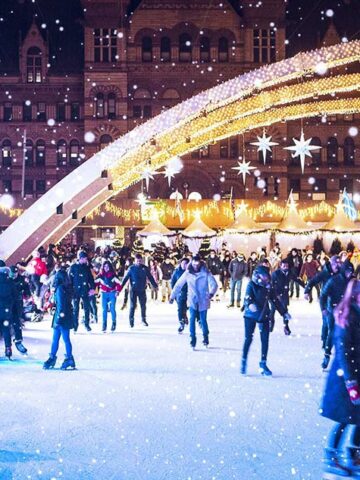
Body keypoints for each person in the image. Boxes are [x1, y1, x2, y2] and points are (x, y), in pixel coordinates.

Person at [320, 279, 360, 477]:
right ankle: (332, 456)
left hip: (356, 374)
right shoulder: (347, 317)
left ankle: (354, 452)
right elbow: (344, 353)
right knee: (344, 418)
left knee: (359, 417)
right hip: (345, 378)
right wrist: (351, 383)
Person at [241, 266, 291, 376]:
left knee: (265, 340)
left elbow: (275, 301)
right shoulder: (252, 285)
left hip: (264, 315)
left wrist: (284, 313)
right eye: (264, 277)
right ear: (258, 275)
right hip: (250, 316)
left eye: (267, 277)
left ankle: (263, 363)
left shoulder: (268, 287)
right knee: (248, 338)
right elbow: (247, 298)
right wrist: (250, 305)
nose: (266, 279)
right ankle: (244, 360)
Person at [170, 254, 218, 349]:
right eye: (194, 263)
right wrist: (172, 296)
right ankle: (192, 339)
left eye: (197, 263)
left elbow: (214, 284)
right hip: (192, 300)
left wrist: (211, 294)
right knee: (192, 319)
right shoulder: (187, 273)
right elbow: (178, 285)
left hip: (203, 300)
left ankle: (205, 337)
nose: (196, 265)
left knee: (203, 320)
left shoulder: (205, 272)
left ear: (200, 263)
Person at [319, 260, 354, 370]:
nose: (349, 273)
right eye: (348, 271)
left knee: (348, 334)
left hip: (347, 311)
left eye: (351, 271)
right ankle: (327, 355)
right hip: (333, 310)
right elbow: (323, 295)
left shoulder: (352, 282)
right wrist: (323, 308)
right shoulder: (334, 281)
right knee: (333, 332)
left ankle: (347, 358)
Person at [304, 255, 341, 351]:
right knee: (326, 322)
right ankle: (325, 341)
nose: (338, 265)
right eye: (336, 263)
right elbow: (312, 281)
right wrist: (306, 291)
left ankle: (332, 341)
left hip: (338, 301)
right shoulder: (324, 273)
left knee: (335, 324)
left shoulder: (341, 272)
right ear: (332, 264)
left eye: (339, 263)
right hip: (325, 301)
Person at [43, 268, 76, 370]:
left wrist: (58, 319)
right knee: (61, 339)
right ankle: (60, 357)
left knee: (59, 339)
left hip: (61, 316)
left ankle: (64, 358)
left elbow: (61, 305)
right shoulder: (66, 287)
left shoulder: (60, 289)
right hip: (65, 315)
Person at [121, 253, 158, 327]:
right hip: (133, 290)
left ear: (142, 261)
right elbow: (125, 279)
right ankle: (131, 321)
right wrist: (119, 288)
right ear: (135, 261)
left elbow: (150, 277)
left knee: (143, 305)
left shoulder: (145, 268)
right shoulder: (131, 268)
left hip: (142, 290)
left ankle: (143, 319)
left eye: (140, 261)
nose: (139, 262)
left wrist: (155, 285)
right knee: (132, 306)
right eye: (137, 261)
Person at [270, 259, 301, 335]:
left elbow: (297, 280)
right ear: (281, 266)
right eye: (284, 266)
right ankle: (271, 325)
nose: (285, 267)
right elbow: (271, 284)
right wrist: (275, 294)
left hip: (284, 295)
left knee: (285, 311)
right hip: (275, 295)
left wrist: (306, 287)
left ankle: (286, 326)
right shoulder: (275, 273)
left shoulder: (290, 273)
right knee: (272, 311)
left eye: (287, 266)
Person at [69, 251, 96, 332]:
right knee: (75, 309)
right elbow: (70, 280)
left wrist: (92, 288)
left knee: (86, 308)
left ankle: (87, 324)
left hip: (85, 291)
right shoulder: (73, 267)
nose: (86, 260)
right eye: (85, 259)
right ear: (81, 258)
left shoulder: (87, 268)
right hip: (75, 291)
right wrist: (70, 291)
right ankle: (75, 325)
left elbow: (91, 279)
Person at [95, 260, 122, 333]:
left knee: (112, 308)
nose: (106, 268)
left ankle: (113, 323)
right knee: (104, 309)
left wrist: (117, 291)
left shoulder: (113, 275)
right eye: (104, 266)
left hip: (112, 293)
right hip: (104, 294)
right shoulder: (100, 275)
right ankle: (104, 324)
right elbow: (95, 283)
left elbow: (119, 284)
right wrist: (94, 291)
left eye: (107, 266)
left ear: (110, 267)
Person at [9, 266, 29, 354]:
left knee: (17, 322)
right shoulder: (6, 280)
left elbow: (26, 288)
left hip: (17, 304)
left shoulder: (21, 279)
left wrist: (26, 294)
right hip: (7, 304)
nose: (14, 276)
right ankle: (8, 346)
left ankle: (18, 340)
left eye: (15, 274)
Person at [0, 261, 17, 359]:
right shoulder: (9, 281)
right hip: (6, 311)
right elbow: (15, 296)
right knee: (6, 330)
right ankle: (8, 349)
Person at [171, 257, 190, 334]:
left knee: (186, 307)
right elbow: (173, 283)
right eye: (183, 263)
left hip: (189, 293)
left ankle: (184, 316)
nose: (184, 265)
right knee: (180, 308)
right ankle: (181, 323)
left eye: (186, 264)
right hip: (179, 294)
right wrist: (174, 293)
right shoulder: (177, 272)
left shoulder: (190, 272)